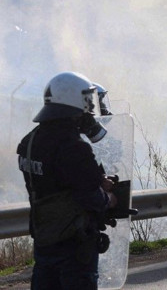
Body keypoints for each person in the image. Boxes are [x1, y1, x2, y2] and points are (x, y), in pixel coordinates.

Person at [17, 72, 117, 289]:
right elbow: (90, 197)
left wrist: (92, 179)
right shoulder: (74, 147)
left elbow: (54, 181)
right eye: (88, 101)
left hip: (45, 240)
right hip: (74, 245)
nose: (91, 108)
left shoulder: (30, 142)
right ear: (74, 103)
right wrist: (109, 198)